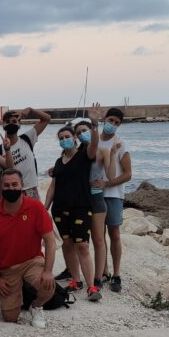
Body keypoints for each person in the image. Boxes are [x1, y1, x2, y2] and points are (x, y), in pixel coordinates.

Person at [0, 169, 59, 328]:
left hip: (32, 260)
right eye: (7, 185)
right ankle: (18, 294)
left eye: (15, 184)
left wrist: (48, 271)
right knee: (10, 318)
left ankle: (36, 306)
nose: (11, 188)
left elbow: (50, 242)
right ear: (1, 187)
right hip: (8, 267)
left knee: (48, 286)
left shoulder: (36, 207)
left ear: (22, 186)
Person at [44, 123, 100, 301]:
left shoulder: (84, 156)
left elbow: (94, 146)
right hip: (60, 208)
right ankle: (76, 280)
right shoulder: (58, 162)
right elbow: (53, 186)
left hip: (81, 207)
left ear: (75, 138)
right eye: (61, 138)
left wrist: (95, 126)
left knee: (82, 245)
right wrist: (44, 207)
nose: (64, 140)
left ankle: (91, 287)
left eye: (67, 137)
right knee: (67, 244)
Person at [77, 116, 116, 295]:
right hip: (80, 202)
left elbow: (110, 174)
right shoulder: (77, 153)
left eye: (84, 131)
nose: (81, 134)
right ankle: (79, 275)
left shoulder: (102, 151)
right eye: (78, 133)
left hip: (97, 200)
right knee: (81, 242)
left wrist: (113, 155)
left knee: (98, 240)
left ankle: (98, 278)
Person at [97, 107, 133, 293]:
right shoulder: (95, 140)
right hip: (94, 195)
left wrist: (107, 184)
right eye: (110, 120)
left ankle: (117, 274)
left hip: (113, 195)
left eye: (117, 123)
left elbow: (128, 174)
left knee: (114, 235)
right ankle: (104, 271)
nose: (112, 125)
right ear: (104, 118)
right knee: (98, 236)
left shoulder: (120, 144)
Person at [0, 106, 52, 200]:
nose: (11, 124)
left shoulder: (27, 138)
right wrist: (7, 149)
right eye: (8, 122)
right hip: (12, 191)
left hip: (30, 189)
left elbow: (47, 119)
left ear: (19, 125)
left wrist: (31, 110)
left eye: (14, 121)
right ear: (3, 125)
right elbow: (9, 168)